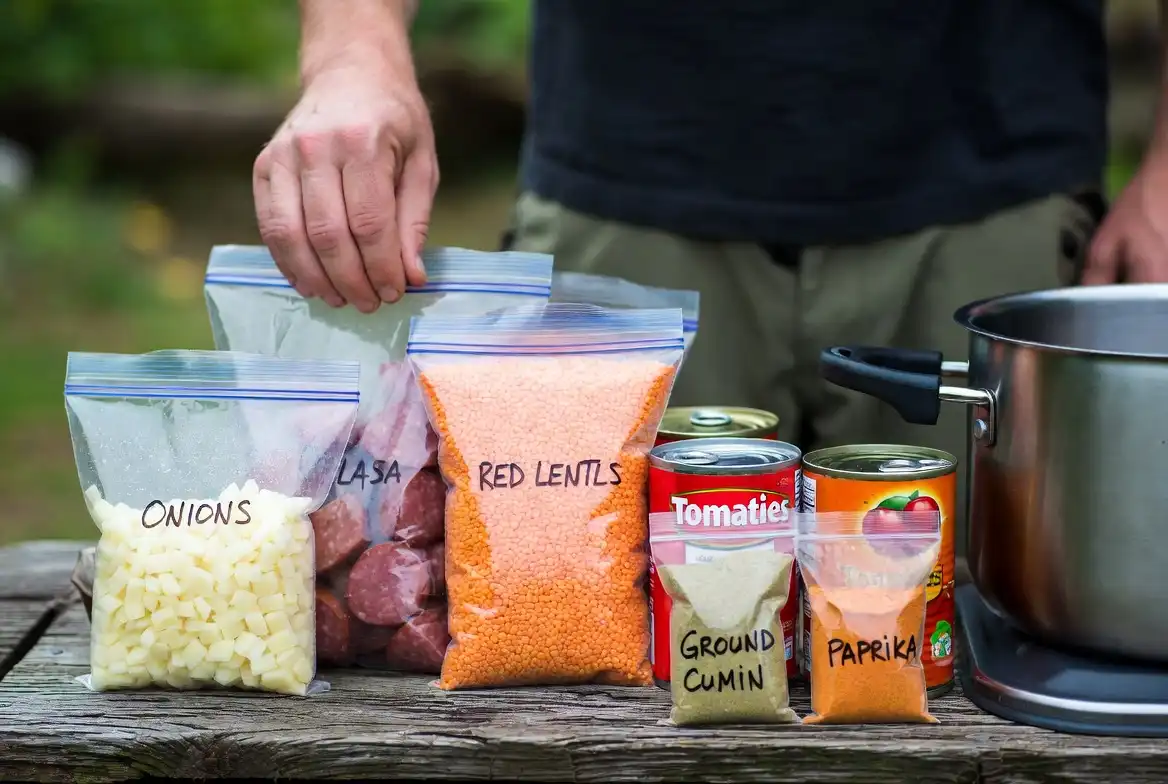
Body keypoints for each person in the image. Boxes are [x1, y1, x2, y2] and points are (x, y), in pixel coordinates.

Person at [254, 1, 1168, 536]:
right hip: (622, 210)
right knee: (582, 664)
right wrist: (355, 49)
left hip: (996, 202)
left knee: (990, 652)